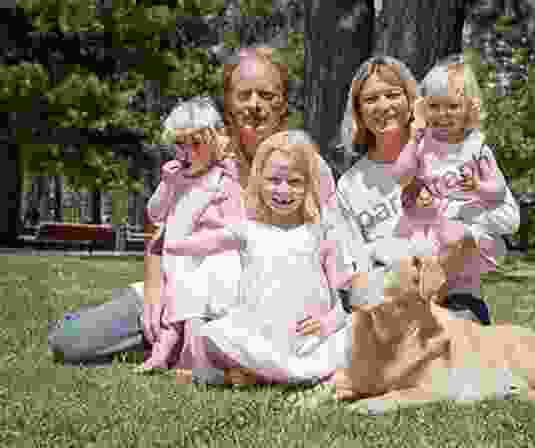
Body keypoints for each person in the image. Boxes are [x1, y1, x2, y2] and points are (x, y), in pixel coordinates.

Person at [47, 46, 344, 367]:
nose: (255, 105)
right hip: (187, 289)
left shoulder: (306, 163)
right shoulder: (202, 152)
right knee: (71, 341)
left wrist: (325, 307)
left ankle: (189, 348)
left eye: (267, 95)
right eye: (244, 95)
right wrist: (153, 289)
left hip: (260, 307)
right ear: (228, 102)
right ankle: (174, 339)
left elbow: (330, 239)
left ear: (283, 102)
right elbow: (160, 230)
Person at [324, 248, 535, 417]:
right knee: (518, 390)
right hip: (503, 379)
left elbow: (435, 388)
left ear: (419, 284)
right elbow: (357, 380)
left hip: (508, 349)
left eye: (382, 267)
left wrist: (387, 401)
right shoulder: (367, 323)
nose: (363, 277)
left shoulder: (433, 332)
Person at [164, 130, 353, 385]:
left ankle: (259, 375)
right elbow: (205, 241)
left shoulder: (321, 234)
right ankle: (258, 372)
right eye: (274, 180)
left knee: (351, 339)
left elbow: (341, 307)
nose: (283, 190)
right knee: (216, 337)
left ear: (308, 184)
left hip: (306, 341)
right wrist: (174, 243)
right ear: (258, 181)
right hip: (258, 336)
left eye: (294, 181)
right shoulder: (248, 229)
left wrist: (325, 324)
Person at [335, 55, 519, 313]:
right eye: (370, 99)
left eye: (392, 94)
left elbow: (507, 218)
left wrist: (462, 232)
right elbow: (351, 271)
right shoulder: (350, 185)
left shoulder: (456, 154)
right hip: (386, 306)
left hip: (456, 301)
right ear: (359, 111)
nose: (383, 106)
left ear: (413, 102)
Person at [385, 58, 519, 325]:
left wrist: (479, 188)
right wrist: (414, 138)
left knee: (454, 241)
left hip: (461, 235)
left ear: (469, 108)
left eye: (453, 107)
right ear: (423, 109)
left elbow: (499, 191)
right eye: (434, 106)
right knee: (409, 263)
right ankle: (421, 303)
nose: (443, 114)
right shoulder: (422, 145)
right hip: (428, 231)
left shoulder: (477, 148)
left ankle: (429, 301)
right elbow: (400, 175)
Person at [138, 97, 244, 372]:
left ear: (214, 144)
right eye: (179, 145)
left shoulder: (222, 181)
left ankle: (195, 358)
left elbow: (237, 228)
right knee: (173, 308)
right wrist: (166, 185)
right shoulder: (177, 180)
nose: (186, 153)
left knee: (195, 303)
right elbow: (155, 214)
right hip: (181, 261)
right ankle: (160, 355)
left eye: (195, 144)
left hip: (213, 260)